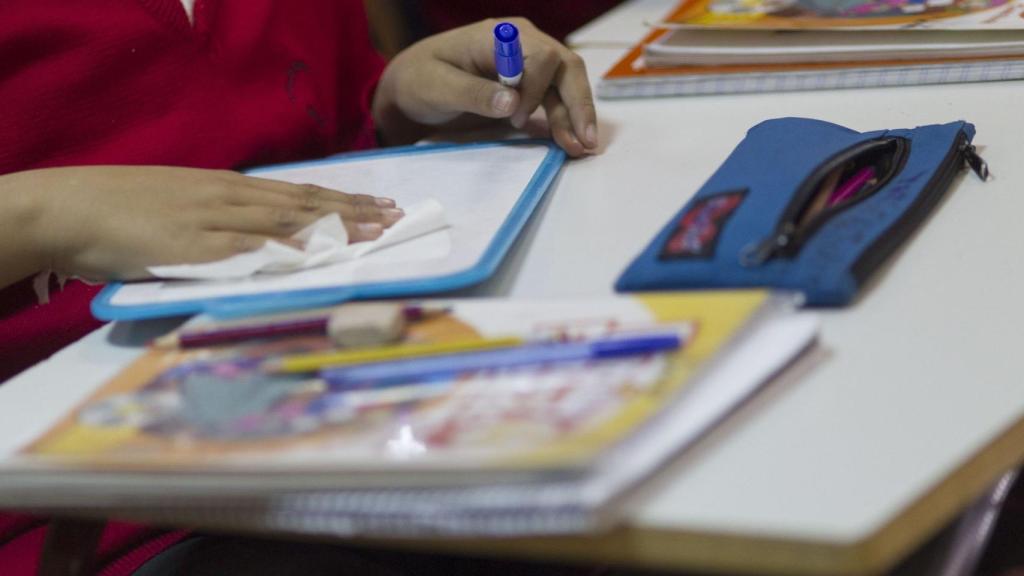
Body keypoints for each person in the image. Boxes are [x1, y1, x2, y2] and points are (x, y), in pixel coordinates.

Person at [0, 0, 597, 572]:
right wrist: (48, 214)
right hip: (112, 503)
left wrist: (396, 102)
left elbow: (324, 130)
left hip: (377, 407)